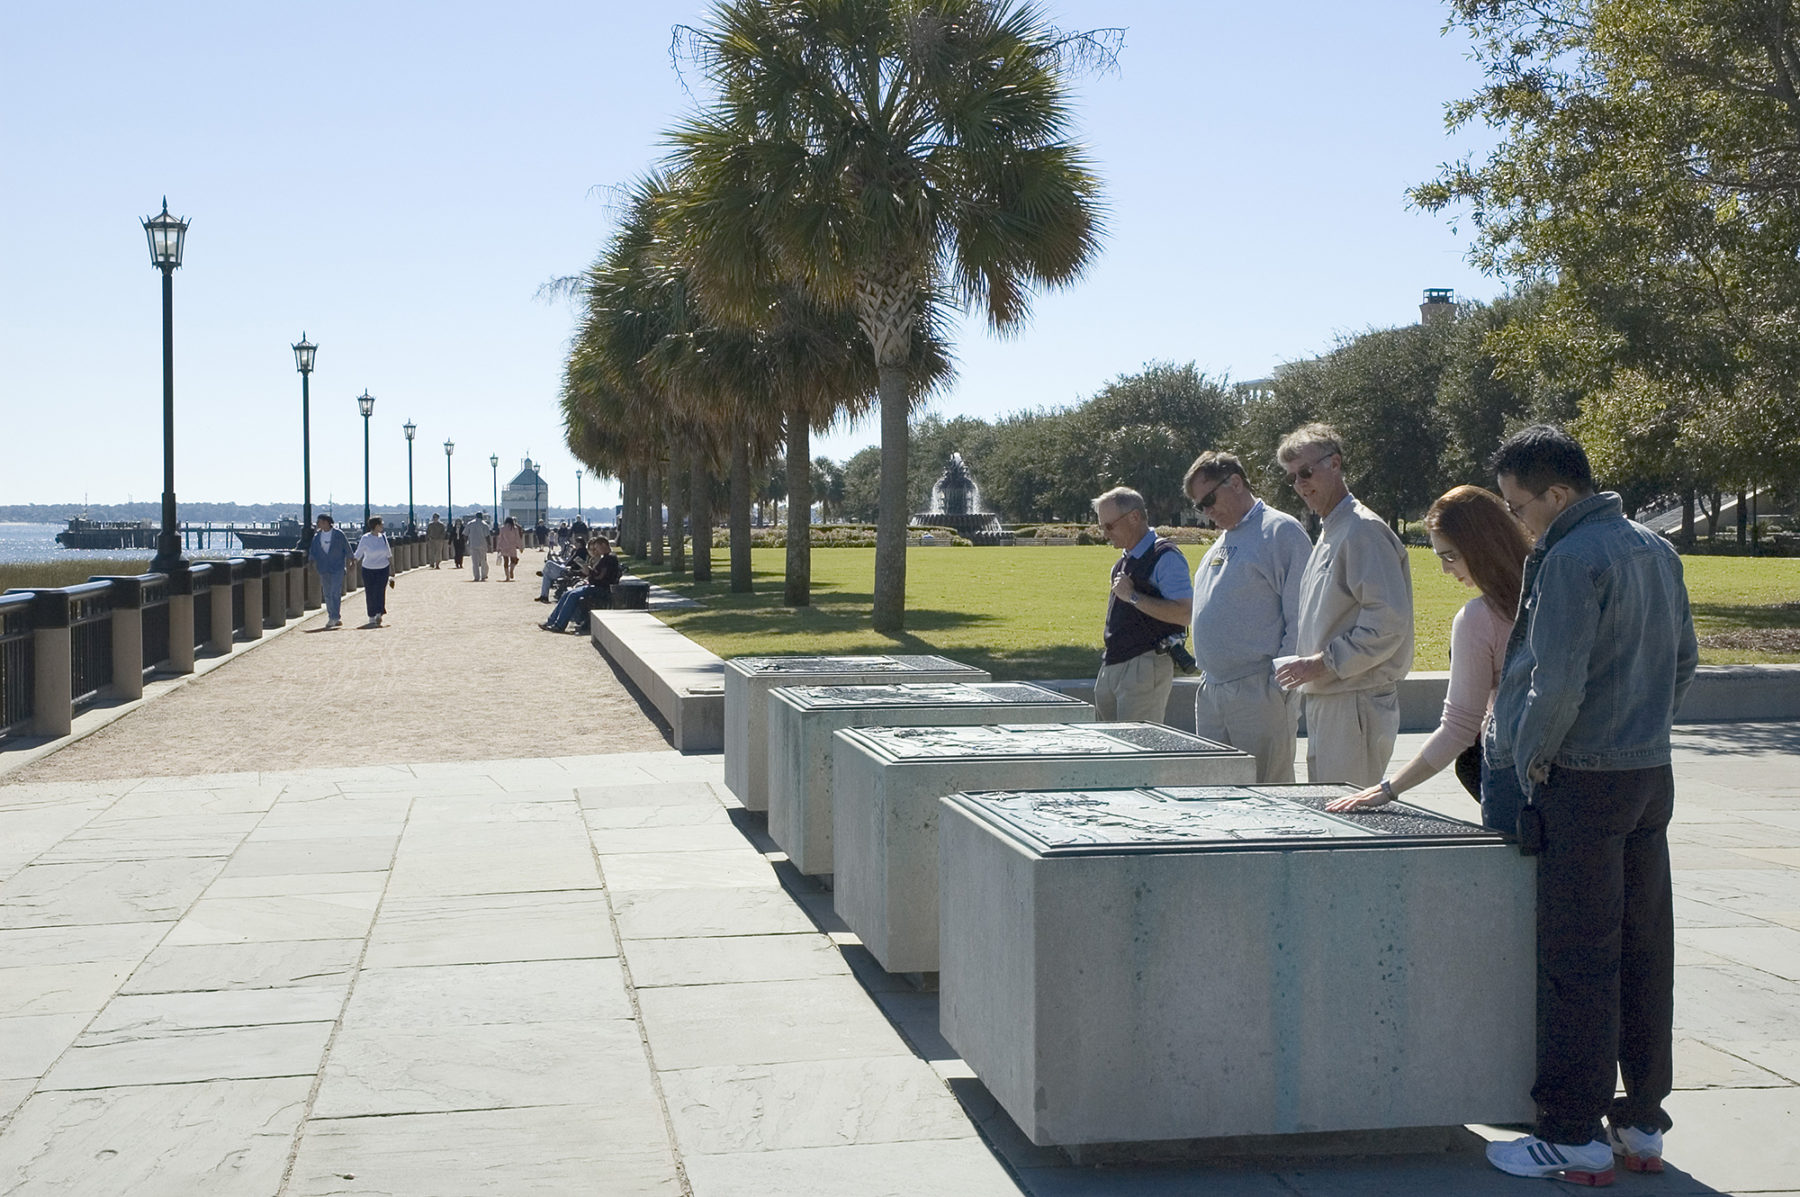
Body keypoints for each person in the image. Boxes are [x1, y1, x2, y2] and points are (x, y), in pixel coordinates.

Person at [1478, 426, 1697, 1185]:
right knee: (1645, 950)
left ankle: (1572, 1131)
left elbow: (1555, 682)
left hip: (1581, 777)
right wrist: (1644, 729)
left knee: (1577, 959)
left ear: (1557, 494)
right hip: (1647, 771)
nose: (1516, 520)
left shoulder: (1570, 556)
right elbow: (1684, 661)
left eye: (1518, 505)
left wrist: (1532, 764)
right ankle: (1640, 1122)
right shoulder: (1654, 548)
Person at [1325, 485, 1533, 828]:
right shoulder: (1556, 588)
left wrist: (1388, 789)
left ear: (1482, 546)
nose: (1445, 570)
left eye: (1450, 556)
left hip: (1514, 779)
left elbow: (1459, 728)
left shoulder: (1479, 619)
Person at [1273, 424, 1413, 787]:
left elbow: (1388, 623)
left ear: (1335, 463)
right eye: (1292, 478)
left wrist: (1322, 663)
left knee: (1351, 821)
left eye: (1306, 472)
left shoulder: (1361, 530)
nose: (1300, 484)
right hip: (1330, 698)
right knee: (1332, 817)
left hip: (1355, 700)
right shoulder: (1331, 530)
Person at [1182, 451, 1312, 782]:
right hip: (1213, 691)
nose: (1207, 511)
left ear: (1236, 482)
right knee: (1220, 796)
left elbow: (1302, 614)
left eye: (1209, 499)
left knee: (1270, 793)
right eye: (1200, 506)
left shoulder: (1281, 531)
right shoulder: (1222, 542)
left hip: (1258, 692)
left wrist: (1278, 684)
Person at [1091, 486, 1192, 723]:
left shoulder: (1165, 557)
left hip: (1145, 666)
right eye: (1101, 527)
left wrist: (1133, 596)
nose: (1105, 533)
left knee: (1138, 751)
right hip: (1112, 665)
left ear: (1134, 517)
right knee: (1110, 750)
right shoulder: (1122, 563)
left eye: (1109, 526)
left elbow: (1185, 613)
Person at [540, 536, 623, 633]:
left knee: (572, 595)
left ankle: (559, 625)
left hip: (602, 588)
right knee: (567, 594)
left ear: (603, 545)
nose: (596, 550)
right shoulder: (606, 558)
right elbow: (599, 575)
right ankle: (551, 621)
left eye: (597, 548)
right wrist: (589, 571)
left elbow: (600, 577)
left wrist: (589, 572)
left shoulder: (609, 559)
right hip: (597, 586)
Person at [306, 513, 350, 629]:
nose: (317, 524)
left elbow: (346, 547)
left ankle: (334, 617)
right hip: (323, 568)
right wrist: (310, 563)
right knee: (327, 593)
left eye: (319, 521)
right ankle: (333, 616)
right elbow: (313, 551)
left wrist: (351, 560)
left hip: (337, 567)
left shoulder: (338, 534)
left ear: (326, 522)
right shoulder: (317, 536)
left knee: (335, 592)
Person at [351, 516, 394, 629]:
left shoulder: (383, 537)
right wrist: (354, 561)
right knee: (370, 592)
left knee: (380, 591)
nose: (383, 526)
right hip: (369, 569)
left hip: (383, 568)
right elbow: (359, 552)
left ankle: (379, 613)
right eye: (381, 524)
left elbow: (388, 554)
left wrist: (392, 569)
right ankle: (371, 615)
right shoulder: (366, 538)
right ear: (375, 526)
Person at [466, 512, 492, 581]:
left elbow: (465, 534)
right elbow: (487, 536)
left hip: (473, 544)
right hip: (482, 544)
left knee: (475, 562)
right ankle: (484, 575)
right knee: (483, 560)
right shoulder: (484, 524)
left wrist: (466, 542)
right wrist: (489, 544)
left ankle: (476, 577)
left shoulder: (470, 523)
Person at [496, 516, 525, 582]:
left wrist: (498, 547)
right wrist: (520, 547)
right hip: (512, 546)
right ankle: (511, 569)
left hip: (504, 547)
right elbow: (518, 538)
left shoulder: (502, 528)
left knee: (506, 562)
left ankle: (507, 577)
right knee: (514, 560)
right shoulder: (515, 529)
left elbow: (500, 538)